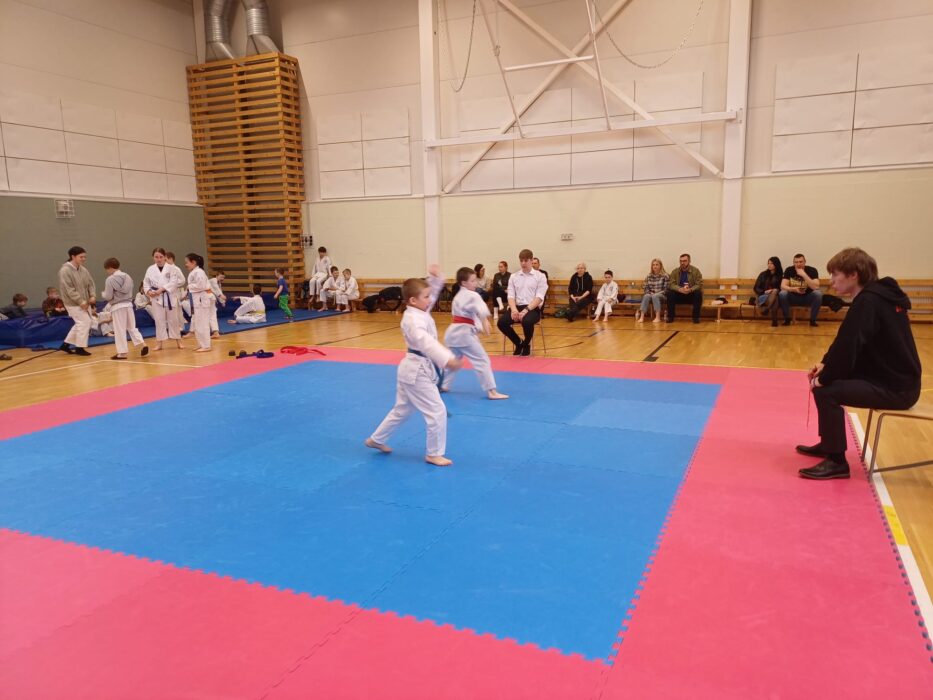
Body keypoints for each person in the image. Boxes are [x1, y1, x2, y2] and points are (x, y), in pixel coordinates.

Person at [797, 248, 921, 480]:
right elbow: (847, 340)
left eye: (835, 274)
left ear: (853, 275)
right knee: (826, 382)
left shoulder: (868, 302)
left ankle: (836, 461)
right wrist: (825, 364)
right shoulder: (877, 297)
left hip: (896, 388)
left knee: (826, 390)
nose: (831, 281)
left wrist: (824, 377)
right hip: (895, 380)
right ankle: (829, 444)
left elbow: (849, 346)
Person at [366, 266, 462, 467]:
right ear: (413, 300)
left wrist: (436, 278)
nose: (430, 300)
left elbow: (429, 293)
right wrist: (447, 358)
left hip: (411, 369)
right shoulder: (412, 320)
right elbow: (425, 342)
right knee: (437, 411)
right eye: (426, 297)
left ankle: (376, 439)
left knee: (402, 410)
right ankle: (434, 453)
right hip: (417, 372)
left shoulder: (419, 309)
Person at [440, 266, 509, 401]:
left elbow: (467, 315)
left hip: (453, 334)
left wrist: (479, 325)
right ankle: (492, 391)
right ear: (463, 283)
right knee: (482, 360)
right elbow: (481, 310)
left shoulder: (458, 296)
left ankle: (443, 385)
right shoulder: (473, 295)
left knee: (454, 361)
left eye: (475, 280)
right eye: (472, 281)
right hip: (464, 335)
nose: (475, 283)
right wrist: (484, 321)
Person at [497, 249, 548, 356]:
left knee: (527, 321)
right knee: (501, 323)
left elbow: (539, 297)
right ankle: (519, 343)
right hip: (516, 307)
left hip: (532, 308)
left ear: (531, 260)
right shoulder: (514, 276)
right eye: (521, 261)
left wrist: (526, 310)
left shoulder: (540, 276)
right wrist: (514, 310)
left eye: (526, 261)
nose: (523, 263)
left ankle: (526, 343)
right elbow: (511, 295)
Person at [102, 258, 148, 360]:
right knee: (132, 328)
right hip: (129, 305)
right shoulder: (128, 277)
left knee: (120, 330)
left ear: (109, 268)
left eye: (107, 270)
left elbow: (108, 296)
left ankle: (122, 353)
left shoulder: (110, 279)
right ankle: (142, 344)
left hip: (117, 306)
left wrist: (103, 294)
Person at [57, 246, 96, 356]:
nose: (84, 259)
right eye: (81, 257)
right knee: (85, 322)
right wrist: (80, 301)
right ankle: (79, 348)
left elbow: (90, 284)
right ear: (73, 257)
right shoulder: (65, 271)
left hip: (85, 302)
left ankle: (66, 344)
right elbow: (69, 289)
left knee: (81, 323)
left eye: (85, 257)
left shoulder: (84, 270)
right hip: (72, 303)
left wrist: (92, 295)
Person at [144, 247, 185, 350]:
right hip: (156, 298)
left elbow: (174, 282)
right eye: (156, 257)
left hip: (169, 297)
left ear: (165, 257)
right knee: (159, 320)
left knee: (174, 320)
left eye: (161, 257)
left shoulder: (171, 268)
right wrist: (149, 292)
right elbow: (146, 283)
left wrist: (161, 289)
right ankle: (159, 343)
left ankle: (178, 341)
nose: (158, 259)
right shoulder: (150, 269)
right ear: (153, 257)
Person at [780, 253, 823, 327]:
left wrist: (804, 274)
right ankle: (787, 319)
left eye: (801, 262)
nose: (798, 264)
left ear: (805, 262)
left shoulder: (812, 270)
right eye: (796, 262)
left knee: (818, 294)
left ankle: (812, 320)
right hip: (793, 297)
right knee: (782, 294)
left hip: (807, 298)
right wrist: (793, 289)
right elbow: (782, 286)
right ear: (793, 263)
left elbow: (816, 287)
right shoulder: (789, 270)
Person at [185, 253, 213, 352]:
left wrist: (189, 286)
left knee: (203, 323)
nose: (186, 264)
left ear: (193, 262)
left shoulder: (199, 272)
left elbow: (201, 286)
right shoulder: (195, 272)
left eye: (187, 262)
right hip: (197, 300)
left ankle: (206, 345)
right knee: (197, 323)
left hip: (201, 300)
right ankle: (201, 344)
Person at [666, 253, 703, 323]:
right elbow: (671, 284)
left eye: (685, 261)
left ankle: (696, 318)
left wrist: (691, 289)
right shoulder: (675, 271)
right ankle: (670, 317)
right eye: (681, 261)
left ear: (689, 261)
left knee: (698, 293)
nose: (682, 263)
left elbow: (699, 284)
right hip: (679, 295)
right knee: (670, 293)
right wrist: (679, 289)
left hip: (690, 295)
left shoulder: (696, 271)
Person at [754, 256, 783, 326]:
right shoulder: (763, 274)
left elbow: (782, 289)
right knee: (775, 298)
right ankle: (774, 319)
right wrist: (764, 291)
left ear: (776, 264)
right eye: (768, 263)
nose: (769, 265)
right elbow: (755, 288)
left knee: (775, 293)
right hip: (763, 297)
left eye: (771, 263)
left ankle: (767, 309)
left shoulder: (780, 276)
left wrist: (773, 291)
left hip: (775, 297)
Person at [638, 259, 669, 323]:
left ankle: (658, 317)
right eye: (653, 265)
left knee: (655, 296)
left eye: (657, 265)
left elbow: (666, 289)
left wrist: (656, 294)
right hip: (651, 294)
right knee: (646, 296)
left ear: (660, 266)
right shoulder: (649, 276)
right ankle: (642, 317)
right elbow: (646, 288)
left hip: (662, 295)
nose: (655, 266)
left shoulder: (665, 276)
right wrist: (650, 293)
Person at [208, 269, 226, 337]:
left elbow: (219, 291)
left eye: (223, 277)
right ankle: (214, 331)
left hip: (210, 298)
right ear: (216, 276)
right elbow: (217, 290)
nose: (222, 279)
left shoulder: (219, 283)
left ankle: (215, 331)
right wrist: (221, 296)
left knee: (212, 314)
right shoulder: (213, 280)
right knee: (211, 315)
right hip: (206, 297)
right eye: (221, 277)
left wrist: (222, 302)